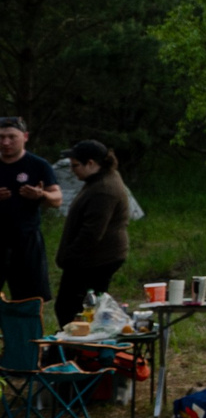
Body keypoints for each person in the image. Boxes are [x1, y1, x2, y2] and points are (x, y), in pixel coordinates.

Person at [52, 141, 131, 324]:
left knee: (72, 308)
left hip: (95, 260)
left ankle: (78, 349)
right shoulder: (97, 180)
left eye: (76, 165)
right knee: (72, 308)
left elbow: (92, 232)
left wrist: (70, 257)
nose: (73, 170)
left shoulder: (103, 190)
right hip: (90, 259)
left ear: (91, 163)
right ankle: (75, 349)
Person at [0, 116, 61, 316]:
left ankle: (29, 342)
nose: (6, 142)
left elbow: (57, 198)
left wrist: (41, 194)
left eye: (12, 137)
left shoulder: (38, 165)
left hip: (26, 238)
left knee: (30, 299)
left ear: (25, 137)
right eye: (1, 137)